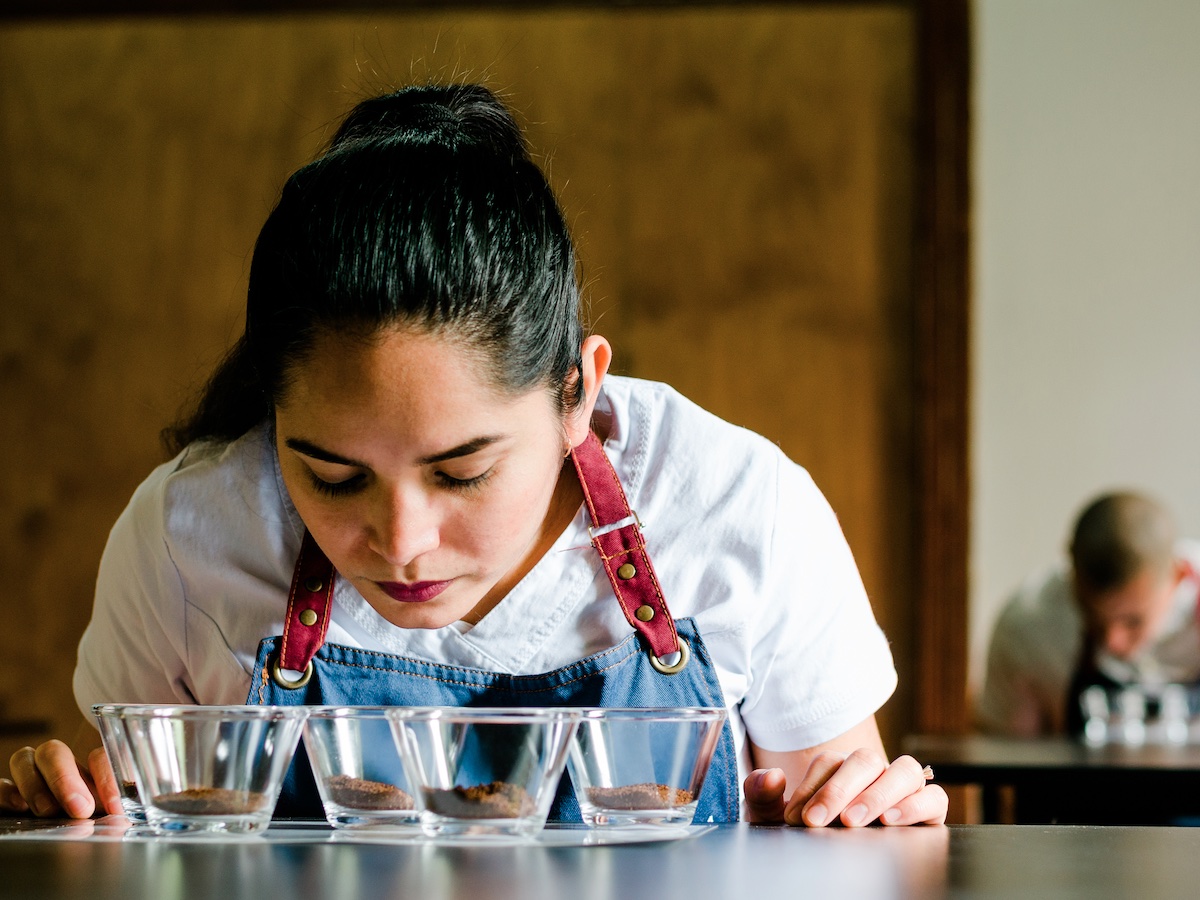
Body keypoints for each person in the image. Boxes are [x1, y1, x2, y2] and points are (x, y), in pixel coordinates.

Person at [0, 83, 945, 827]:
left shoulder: (738, 507)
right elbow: (120, 829)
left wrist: (869, 816)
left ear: (579, 392)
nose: (403, 542)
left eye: (462, 472)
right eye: (331, 477)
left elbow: (839, 817)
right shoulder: (187, 535)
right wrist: (65, 810)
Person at [975, 491, 1200, 737]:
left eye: (1133, 621)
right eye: (1092, 616)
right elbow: (1006, 757)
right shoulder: (1026, 626)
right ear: (1071, 567)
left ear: (1177, 577)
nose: (1113, 642)